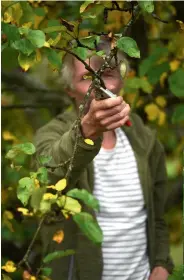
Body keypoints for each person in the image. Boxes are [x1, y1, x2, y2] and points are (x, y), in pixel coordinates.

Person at [34, 37, 174, 280]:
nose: (98, 84)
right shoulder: (53, 133)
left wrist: (161, 265)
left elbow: (157, 214)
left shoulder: (143, 137)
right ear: (69, 90)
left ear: (121, 80)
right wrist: (86, 131)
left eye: (107, 73)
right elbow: (48, 175)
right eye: (87, 77)